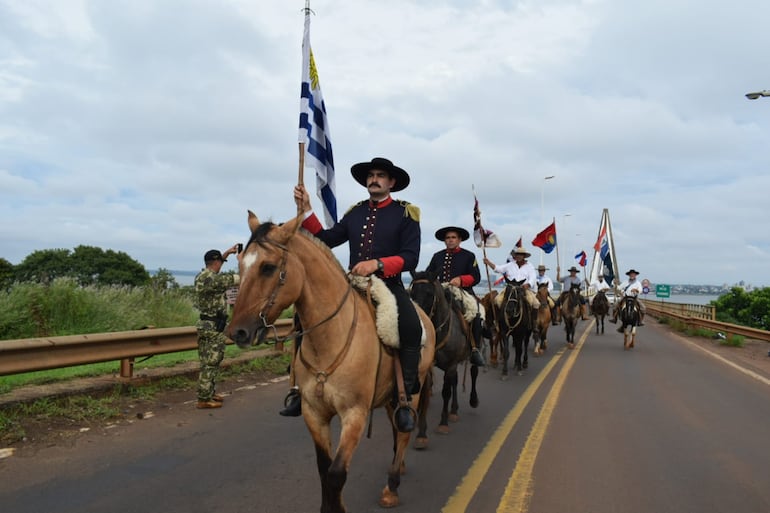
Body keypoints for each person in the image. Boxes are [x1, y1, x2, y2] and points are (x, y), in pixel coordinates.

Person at [286, 157, 422, 433]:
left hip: (388, 283)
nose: (374, 179)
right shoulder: (356, 212)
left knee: (410, 326)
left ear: (391, 182)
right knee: (303, 322)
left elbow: (410, 258)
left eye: (380, 175)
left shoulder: (406, 213)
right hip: (352, 283)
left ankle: (404, 397)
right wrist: (307, 210)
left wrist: (379, 264)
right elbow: (326, 239)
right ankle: (299, 388)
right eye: (371, 175)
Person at [426, 226, 485, 367]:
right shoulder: (437, 256)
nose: (450, 240)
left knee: (476, 314)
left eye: (453, 237)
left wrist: (461, 280)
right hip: (441, 290)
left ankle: (475, 349)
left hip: (462, 291)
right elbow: (429, 274)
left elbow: (475, 276)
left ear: (459, 240)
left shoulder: (469, 256)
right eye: (448, 238)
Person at [194, 246, 240, 409]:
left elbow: (218, 275)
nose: (221, 264)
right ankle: (204, 399)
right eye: (220, 261)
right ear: (215, 262)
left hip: (209, 324)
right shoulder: (212, 279)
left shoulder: (203, 275)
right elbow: (239, 278)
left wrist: (226, 254)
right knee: (211, 362)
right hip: (212, 325)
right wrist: (241, 261)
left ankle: (209, 393)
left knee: (210, 360)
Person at [482, 246, 541, 312]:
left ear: (524, 256)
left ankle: (533, 321)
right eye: (517, 254)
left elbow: (533, 277)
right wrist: (488, 262)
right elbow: (498, 269)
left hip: (523, 289)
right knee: (497, 300)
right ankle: (499, 320)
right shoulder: (510, 265)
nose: (518, 256)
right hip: (510, 288)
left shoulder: (530, 266)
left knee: (536, 303)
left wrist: (528, 284)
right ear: (515, 256)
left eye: (520, 254)